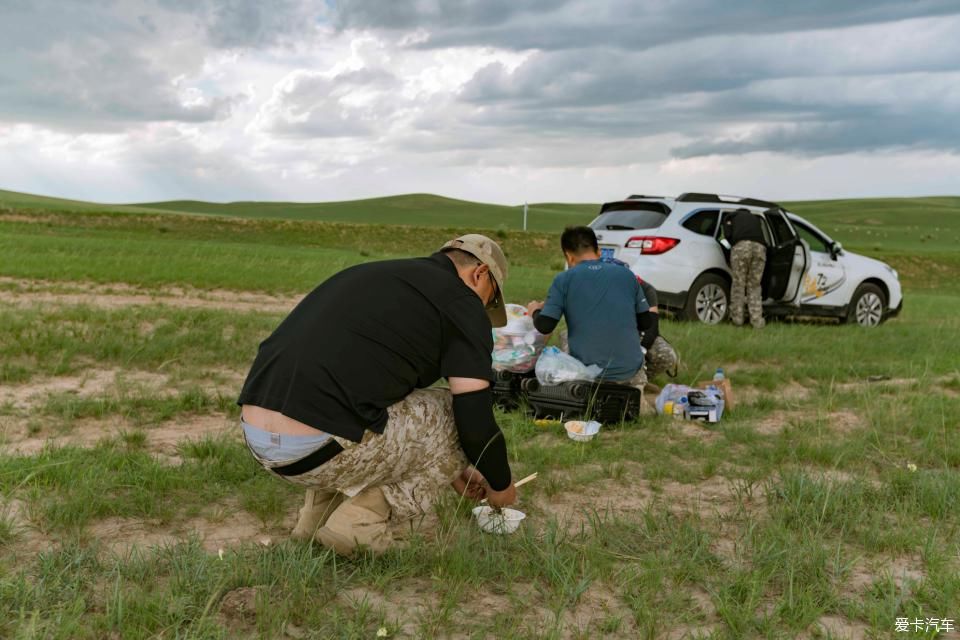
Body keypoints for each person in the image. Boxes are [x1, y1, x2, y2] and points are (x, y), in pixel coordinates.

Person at [237, 234, 518, 555]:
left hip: (261, 442)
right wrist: (501, 485)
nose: (483, 309)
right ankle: (360, 522)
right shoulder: (462, 301)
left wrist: (449, 463)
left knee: (356, 400)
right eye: (489, 299)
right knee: (449, 406)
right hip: (318, 448)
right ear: (479, 274)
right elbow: (474, 420)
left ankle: (314, 521)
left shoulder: (379, 276)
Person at [526, 226, 649, 389]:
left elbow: (545, 325)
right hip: (631, 372)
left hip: (588, 376)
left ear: (569, 257)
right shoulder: (627, 274)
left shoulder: (564, 280)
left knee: (565, 336)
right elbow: (646, 323)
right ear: (598, 251)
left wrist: (535, 310)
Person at [721, 208, 768, 328]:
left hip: (741, 247)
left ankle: (737, 320)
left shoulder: (731, 217)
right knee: (755, 285)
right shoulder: (756, 218)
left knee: (739, 284)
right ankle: (757, 322)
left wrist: (733, 245)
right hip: (760, 248)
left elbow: (727, 235)